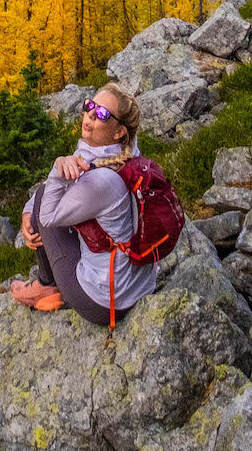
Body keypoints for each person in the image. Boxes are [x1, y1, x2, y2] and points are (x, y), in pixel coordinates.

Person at [9, 83, 158, 325]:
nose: (89, 115)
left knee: (47, 193)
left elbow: (47, 215)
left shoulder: (102, 180)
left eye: (101, 114)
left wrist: (59, 167)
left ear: (119, 131)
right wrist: (28, 210)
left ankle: (46, 285)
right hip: (135, 285)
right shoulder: (124, 157)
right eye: (90, 105)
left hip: (104, 303)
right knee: (45, 196)